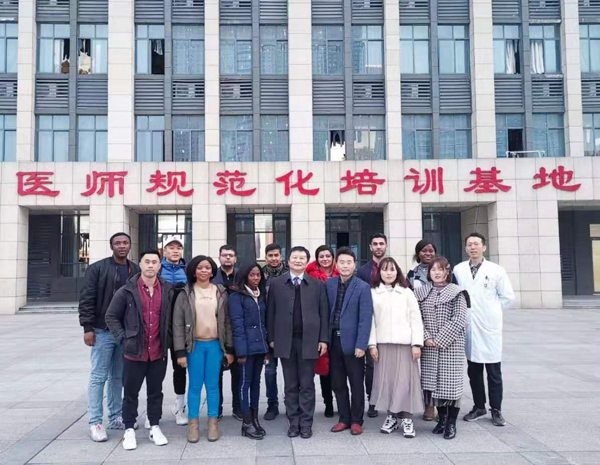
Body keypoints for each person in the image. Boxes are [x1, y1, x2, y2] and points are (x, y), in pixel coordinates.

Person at [105, 250, 174, 451]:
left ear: (159, 266)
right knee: (130, 393)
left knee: (155, 392)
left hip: (158, 352)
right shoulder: (127, 290)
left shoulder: (167, 289)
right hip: (134, 352)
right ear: (141, 265)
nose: (151, 265)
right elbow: (111, 316)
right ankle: (129, 429)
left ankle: (154, 426)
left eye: (154, 262)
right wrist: (123, 338)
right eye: (147, 262)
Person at [78, 232, 140, 442]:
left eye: (125, 243)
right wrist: (88, 327)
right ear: (111, 246)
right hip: (102, 331)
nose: (122, 246)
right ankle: (95, 422)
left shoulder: (135, 270)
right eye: (117, 243)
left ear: (130, 245)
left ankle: (116, 417)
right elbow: (87, 298)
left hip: (124, 333)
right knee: (98, 376)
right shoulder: (97, 268)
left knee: (118, 377)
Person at [267, 246, 329, 439]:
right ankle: (293, 422)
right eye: (295, 257)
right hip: (285, 341)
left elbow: (324, 313)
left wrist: (323, 339)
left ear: (307, 261)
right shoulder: (277, 284)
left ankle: (306, 423)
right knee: (290, 385)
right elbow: (270, 313)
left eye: (302, 258)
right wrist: (271, 338)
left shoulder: (317, 285)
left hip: (309, 341)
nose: (298, 261)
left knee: (307, 384)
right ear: (288, 260)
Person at [453, 233, 515, 427]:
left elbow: (508, 297)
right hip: (469, 326)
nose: (473, 247)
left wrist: (492, 311)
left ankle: (496, 409)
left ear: (484, 247)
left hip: (489, 327)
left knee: (494, 371)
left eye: (476, 244)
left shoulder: (496, 270)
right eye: (469, 244)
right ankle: (479, 406)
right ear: (465, 248)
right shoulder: (459, 269)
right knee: (474, 370)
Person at [173, 255, 234, 443]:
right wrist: (180, 352)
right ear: (193, 271)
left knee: (213, 385)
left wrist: (229, 349)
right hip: (195, 346)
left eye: (207, 267)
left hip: (215, 345)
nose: (204, 271)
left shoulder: (220, 291)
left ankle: (213, 422)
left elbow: (227, 322)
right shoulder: (185, 293)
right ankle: (193, 423)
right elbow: (177, 324)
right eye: (200, 268)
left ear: (212, 271)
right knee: (195, 385)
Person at [368, 257, 424, 438]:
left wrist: (416, 344)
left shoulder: (406, 292)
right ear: (379, 272)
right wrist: (372, 344)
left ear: (397, 272)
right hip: (383, 344)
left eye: (392, 269)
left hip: (405, 345)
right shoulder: (373, 292)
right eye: (384, 269)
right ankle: (391, 416)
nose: (388, 273)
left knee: (405, 383)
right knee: (387, 382)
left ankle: (407, 419)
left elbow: (416, 319)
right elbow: (370, 321)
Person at [414, 257, 468, 440]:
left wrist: (439, 339)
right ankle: (442, 419)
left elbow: (459, 319)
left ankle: (451, 423)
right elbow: (416, 318)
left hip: (450, 346)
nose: (437, 273)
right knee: (432, 386)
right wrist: (426, 337)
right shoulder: (420, 292)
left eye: (441, 269)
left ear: (447, 272)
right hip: (429, 346)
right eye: (433, 269)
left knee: (451, 385)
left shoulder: (457, 292)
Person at [325, 247, 373, 436]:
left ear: (354, 265)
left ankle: (356, 420)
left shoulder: (362, 287)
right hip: (333, 341)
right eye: (342, 262)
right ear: (336, 265)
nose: (345, 266)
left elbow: (365, 318)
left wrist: (362, 344)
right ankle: (344, 418)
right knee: (337, 383)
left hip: (354, 344)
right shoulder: (329, 284)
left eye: (349, 262)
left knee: (356, 383)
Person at [229, 263, 269, 440]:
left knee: (256, 383)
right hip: (246, 348)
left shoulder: (261, 295)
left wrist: (267, 346)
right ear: (245, 276)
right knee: (245, 383)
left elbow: (264, 322)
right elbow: (237, 326)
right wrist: (241, 352)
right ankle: (246, 422)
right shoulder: (236, 296)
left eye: (258, 275)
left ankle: (254, 418)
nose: (255, 278)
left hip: (260, 346)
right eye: (252, 275)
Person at [356, 232, 388, 418]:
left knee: (390, 364)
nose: (378, 247)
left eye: (381, 243)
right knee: (371, 366)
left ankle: (390, 400)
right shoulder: (363, 271)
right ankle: (373, 401)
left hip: (389, 322)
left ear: (386, 246)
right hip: (370, 321)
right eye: (375, 244)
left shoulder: (393, 267)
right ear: (370, 247)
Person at [306, 244, 339, 418]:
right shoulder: (310, 276)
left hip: (337, 325)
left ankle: (341, 401)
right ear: (317, 259)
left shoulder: (340, 273)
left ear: (333, 258)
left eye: (328, 256)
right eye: (321, 256)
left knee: (338, 368)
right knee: (324, 368)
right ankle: (328, 402)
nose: (325, 259)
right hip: (318, 326)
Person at [158, 236, 188, 427]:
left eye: (178, 247)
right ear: (164, 251)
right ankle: (154, 410)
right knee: (156, 370)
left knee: (180, 367)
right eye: (171, 247)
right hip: (160, 327)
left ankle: (180, 406)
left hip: (181, 327)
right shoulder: (157, 268)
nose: (175, 251)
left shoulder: (188, 270)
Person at [212, 245, 242, 420]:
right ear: (219, 257)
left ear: (235, 258)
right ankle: (217, 408)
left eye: (231, 255)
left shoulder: (241, 276)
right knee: (216, 374)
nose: (228, 258)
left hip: (237, 328)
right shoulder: (211, 276)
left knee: (238, 373)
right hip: (217, 329)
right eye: (224, 255)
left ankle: (238, 407)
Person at [261, 243, 288, 420]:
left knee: (290, 371)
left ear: (281, 256)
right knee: (270, 371)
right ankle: (272, 404)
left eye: (276, 255)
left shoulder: (289, 273)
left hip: (286, 329)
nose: (273, 258)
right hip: (267, 328)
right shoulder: (260, 275)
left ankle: (291, 403)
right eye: (270, 255)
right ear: (266, 257)